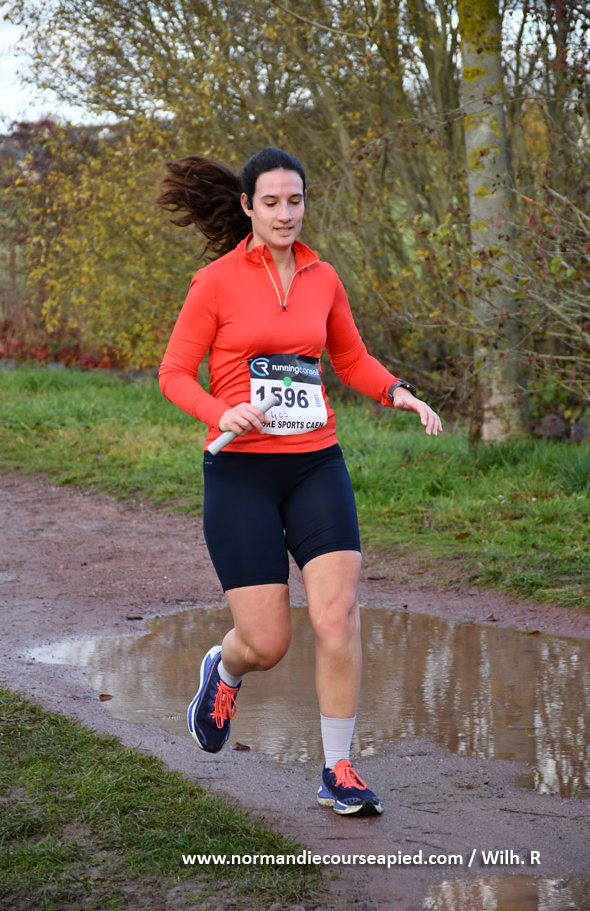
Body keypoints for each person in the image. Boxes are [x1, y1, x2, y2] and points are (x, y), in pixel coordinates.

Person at [158, 147, 442, 816]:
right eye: (272, 202)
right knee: (267, 643)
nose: (285, 213)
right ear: (248, 207)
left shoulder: (323, 277)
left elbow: (349, 356)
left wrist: (396, 391)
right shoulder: (215, 283)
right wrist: (219, 411)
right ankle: (224, 669)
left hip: (316, 463)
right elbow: (173, 374)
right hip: (241, 473)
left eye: (295, 200)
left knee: (337, 615)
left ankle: (338, 769)